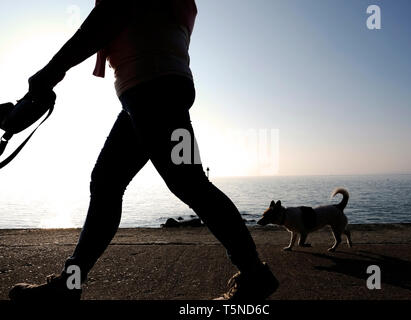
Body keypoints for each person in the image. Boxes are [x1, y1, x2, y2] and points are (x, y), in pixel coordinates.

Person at [8, 0, 278, 301]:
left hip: (151, 89)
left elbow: (109, 16)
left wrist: (50, 72)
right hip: (152, 91)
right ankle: (69, 284)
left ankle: (254, 275)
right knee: (109, 183)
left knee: (188, 184)